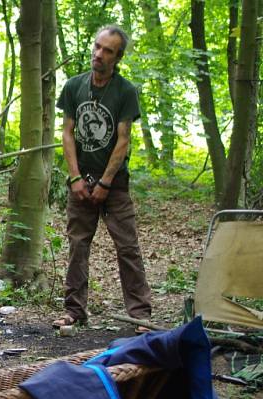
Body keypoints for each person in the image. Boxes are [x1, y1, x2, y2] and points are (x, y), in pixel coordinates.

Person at [53, 25, 152, 333]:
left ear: (117, 56)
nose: (99, 54)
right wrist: (75, 177)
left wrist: (106, 183)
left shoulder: (125, 91)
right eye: (97, 47)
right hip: (80, 182)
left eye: (107, 50)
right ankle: (74, 311)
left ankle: (140, 314)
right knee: (78, 245)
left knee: (127, 247)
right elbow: (67, 133)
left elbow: (123, 140)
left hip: (115, 185)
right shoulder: (74, 86)